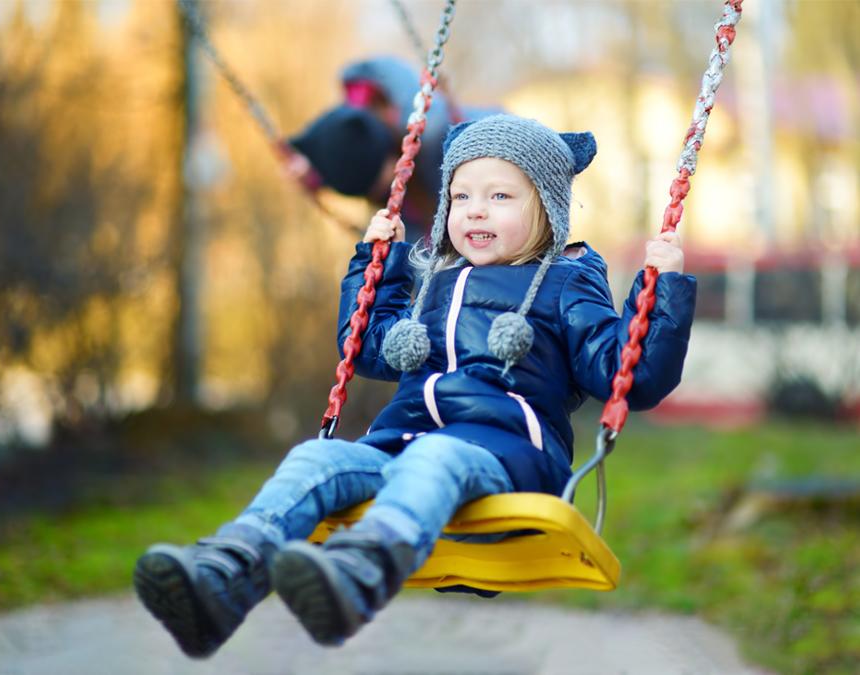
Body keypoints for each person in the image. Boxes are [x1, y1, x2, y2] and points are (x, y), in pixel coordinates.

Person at [134, 114, 696, 657]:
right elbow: (366, 347)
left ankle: (359, 575)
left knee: (436, 455)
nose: (476, 209)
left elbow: (629, 375)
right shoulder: (433, 285)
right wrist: (376, 264)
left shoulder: (565, 286)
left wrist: (662, 289)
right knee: (315, 459)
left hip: (506, 458)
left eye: (500, 196)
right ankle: (223, 577)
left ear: (548, 208)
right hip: (401, 446)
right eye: (461, 196)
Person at [287, 56, 499, 241]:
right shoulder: (358, 154)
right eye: (377, 192)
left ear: (390, 148)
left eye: (385, 176)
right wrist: (316, 176)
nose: (394, 184)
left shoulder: (432, 131)